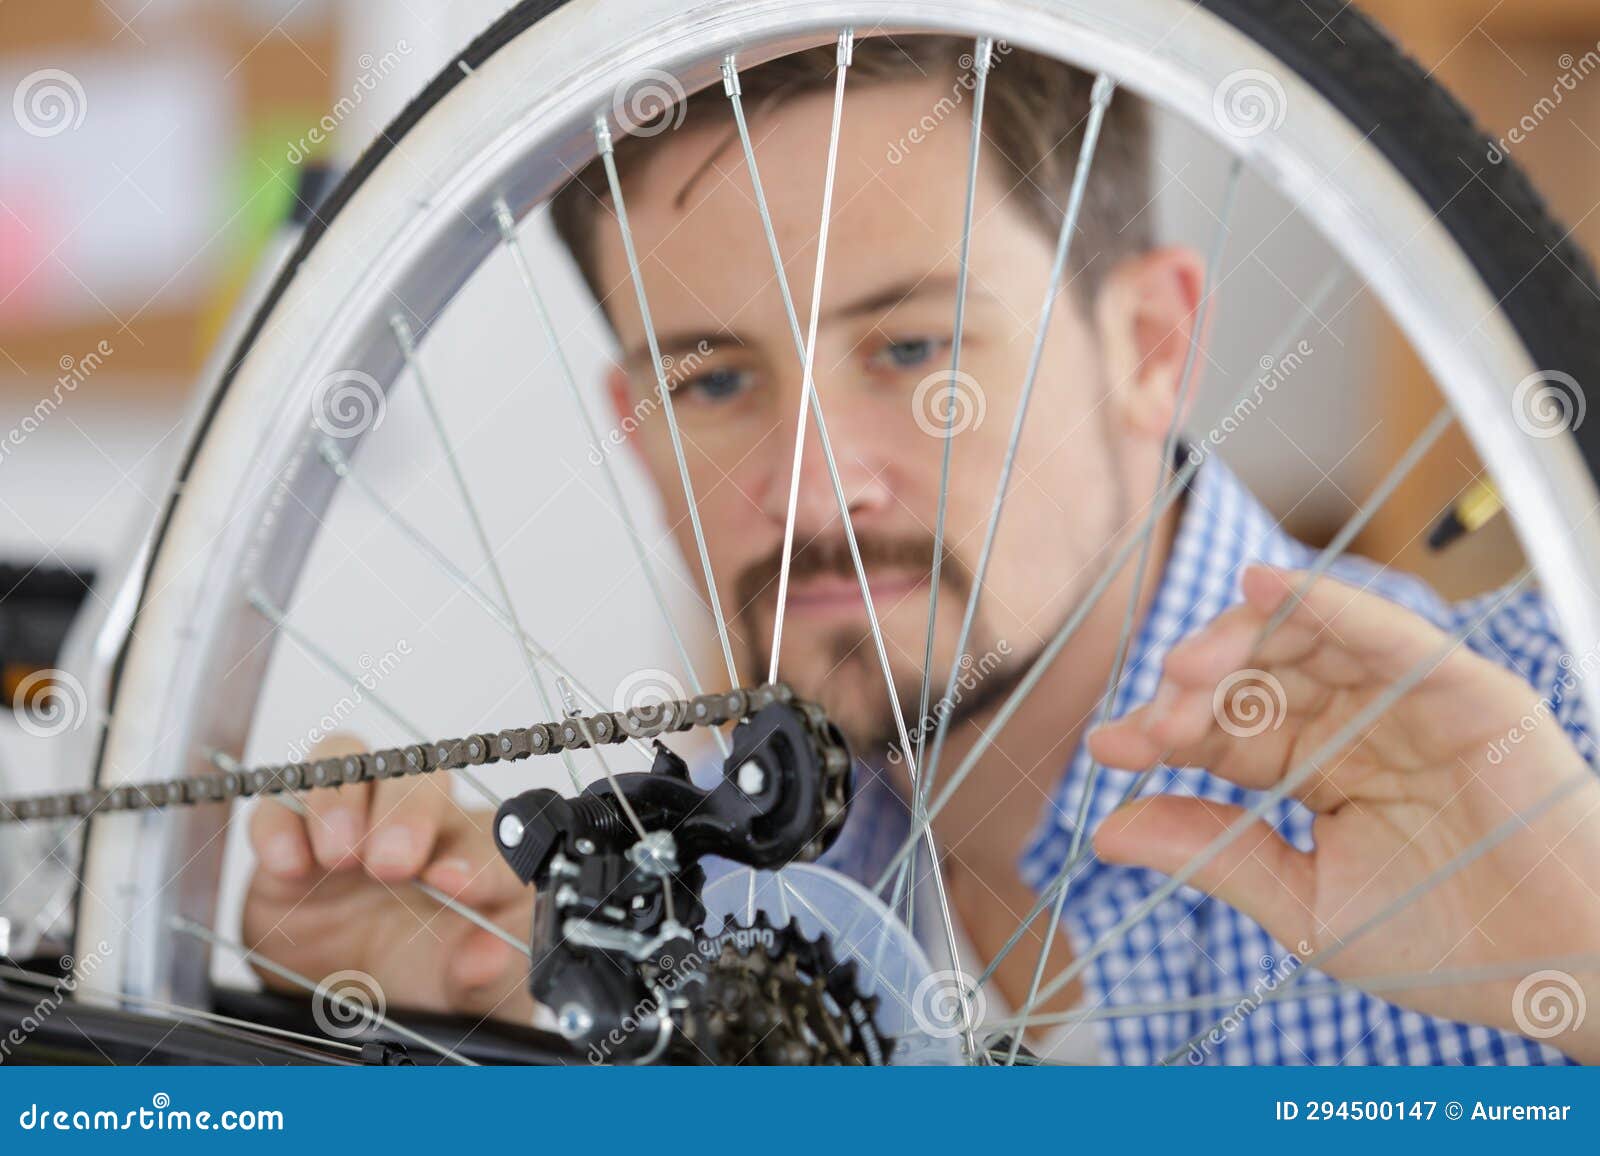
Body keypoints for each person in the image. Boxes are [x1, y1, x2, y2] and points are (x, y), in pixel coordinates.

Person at [245, 37, 1600, 1064]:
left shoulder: (1558, 744)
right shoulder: (683, 904)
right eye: (713, 382)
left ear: (1150, 347)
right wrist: (479, 1041)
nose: (813, 491)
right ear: (639, 430)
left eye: (912, 351)